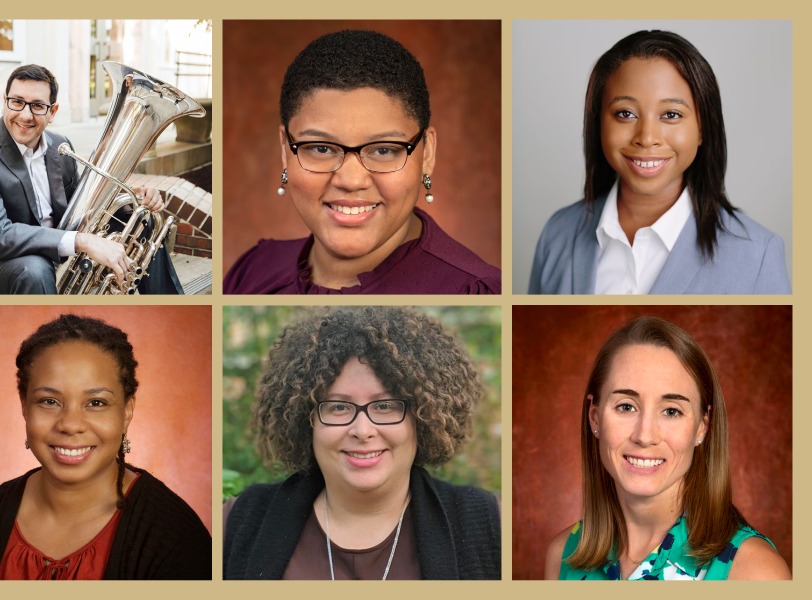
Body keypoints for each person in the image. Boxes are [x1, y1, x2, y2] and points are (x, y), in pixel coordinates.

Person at [223, 307, 500, 579]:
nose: (362, 430)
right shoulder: (237, 523)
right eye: (338, 407)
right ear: (306, 421)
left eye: (385, 406)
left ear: (423, 418)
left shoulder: (489, 524)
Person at [223, 29, 501, 294]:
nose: (351, 180)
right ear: (286, 150)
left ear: (426, 154)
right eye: (321, 148)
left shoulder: (475, 290)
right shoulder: (254, 271)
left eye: (383, 150)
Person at [0, 314, 211, 579]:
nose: (70, 424)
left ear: (127, 411)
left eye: (96, 403)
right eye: (49, 401)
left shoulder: (177, 540)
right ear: (25, 406)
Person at [529, 30, 790, 294]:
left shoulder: (758, 253)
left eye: (671, 114)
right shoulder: (557, 233)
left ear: (702, 128)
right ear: (598, 123)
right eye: (625, 113)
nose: (647, 138)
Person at [544, 315, 790, 580]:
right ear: (595, 417)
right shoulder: (562, 556)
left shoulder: (755, 572)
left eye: (671, 411)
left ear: (701, 427)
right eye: (626, 406)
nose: (645, 435)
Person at [0, 64, 183, 294]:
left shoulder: (59, 146)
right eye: (17, 102)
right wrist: (83, 241)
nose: (25, 115)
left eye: (37, 105)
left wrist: (132, 200)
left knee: (142, 222)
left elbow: (82, 205)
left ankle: (171, 308)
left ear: (53, 112)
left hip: (51, 241)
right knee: (36, 269)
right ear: (4, 102)